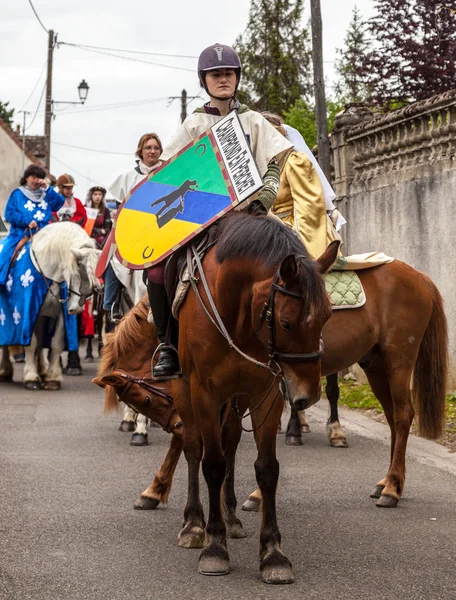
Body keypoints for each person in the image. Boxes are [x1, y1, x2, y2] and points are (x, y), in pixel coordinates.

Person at [146, 43, 293, 378]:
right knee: (156, 272)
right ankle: (168, 346)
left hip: (251, 214)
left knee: (299, 258)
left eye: (228, 73)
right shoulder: (193, 124)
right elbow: (166, 168)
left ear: (237, 78)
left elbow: (275, 162)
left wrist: (267, 193)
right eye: (216, 74)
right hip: (202, 218)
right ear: (205, 81)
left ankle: (296, 344)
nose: (223, 79)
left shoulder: (253, 121)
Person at [262, 112, 344, 259]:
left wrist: (305, 249)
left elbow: (309, 208)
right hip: (269, 228)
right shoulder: (265, 169)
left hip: (296, 229)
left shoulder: (295, 162)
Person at [107, 133, 164, 324]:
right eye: (148, 147)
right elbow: (116, 206)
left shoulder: (169, 172)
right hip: (133, 233)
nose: (152, 151)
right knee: (112, 260)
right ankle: (113, 303)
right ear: (140, 151)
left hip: (162, 232)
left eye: (156, 148)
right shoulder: (127, 178)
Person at [0, 164, 64, 286]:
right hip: (20, 234)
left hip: (44, 234)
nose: (36, 180)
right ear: (26, 178)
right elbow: (9, 213)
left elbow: (58, 204)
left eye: (39, 178)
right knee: (4, 255)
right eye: (33, 177)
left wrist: (47, 188)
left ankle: (63, 289)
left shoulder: (46, 194)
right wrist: (27, 221)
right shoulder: (17, 194)